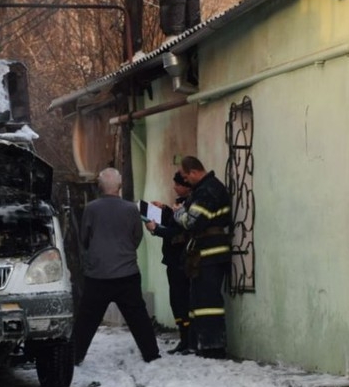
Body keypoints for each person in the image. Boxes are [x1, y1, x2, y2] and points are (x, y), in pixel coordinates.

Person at [73, 167, 161, 364]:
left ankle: (75, 355)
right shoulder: (131, 209)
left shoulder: (91, 209)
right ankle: (151, 354)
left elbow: (84, 238)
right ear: (119, 186)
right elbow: (137, 237)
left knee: (87, 318)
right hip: (126, 273)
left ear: (100, 187)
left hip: (98, 274)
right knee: (138, 316)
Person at [173, 156, 232, 359]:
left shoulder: (208, 191)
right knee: (199, 301)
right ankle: (200, 344)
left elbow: (191, 222)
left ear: (194, 172)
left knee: (208, 303)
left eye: (185, 176)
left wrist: (177, 213)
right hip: (204, 254)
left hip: (211, 254)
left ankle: (212, 347)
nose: (184, 181)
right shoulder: (204, 189)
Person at [145, 171, 193, 354]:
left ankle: (188, 339)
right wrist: (164, 209)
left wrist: (156, 229)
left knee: (182, 300)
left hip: (182, 260)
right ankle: (184, 339)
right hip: (174, 260)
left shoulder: (190, 205)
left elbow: (177, 232)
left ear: (186, 186)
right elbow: (173, 222)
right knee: (176, 300)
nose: (174, 187)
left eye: (178, 184)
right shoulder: (180, 204)